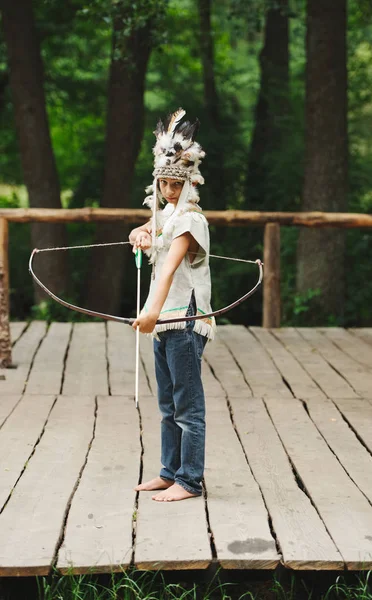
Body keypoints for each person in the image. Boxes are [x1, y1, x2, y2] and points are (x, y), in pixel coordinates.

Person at [128, 108, 215, 502]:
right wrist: (139, 234)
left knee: (187, 406)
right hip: (164, 321)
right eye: (163, 184)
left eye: (175, 185)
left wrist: (149, 312)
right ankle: (169, 472)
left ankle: (189, 480)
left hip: (183, 319)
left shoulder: (191, 220)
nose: (168, 191)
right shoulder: (165, 214)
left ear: (190, 183)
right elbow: (147, 227)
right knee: (167, 405)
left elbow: (167, 272)